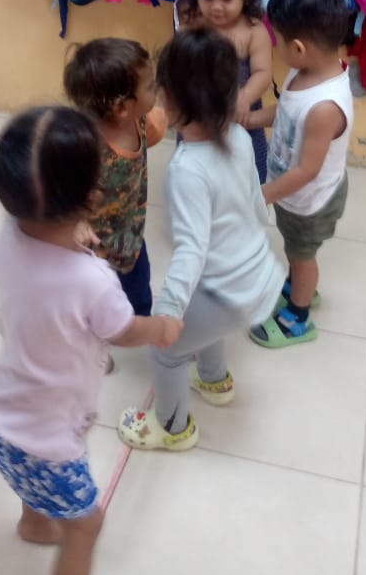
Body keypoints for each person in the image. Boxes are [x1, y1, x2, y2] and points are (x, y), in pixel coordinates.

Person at [0, 106, 182, 575]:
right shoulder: (93, 282)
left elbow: (46, 258)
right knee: (87, 525)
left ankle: (33, 522)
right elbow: (123, 330)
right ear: (92, 198)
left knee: (36, 489)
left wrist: (73, 233)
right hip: (48, 441)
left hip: (1, 418)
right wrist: (160, 328)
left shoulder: (8, 235)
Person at [118, 28, 284, 452]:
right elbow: (254, 199)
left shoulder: (187, 169)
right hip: (256, 275)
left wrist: (167, 315)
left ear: (171, 102)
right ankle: (214, 379)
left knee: (166, 352)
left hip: (224, 289)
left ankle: (172, 427)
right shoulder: (240, 137)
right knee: (204, 317)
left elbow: (191, 249)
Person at [247, 0, 354, 348]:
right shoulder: (305, 71)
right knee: (295, 249)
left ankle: (299, 315)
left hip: (312, 200)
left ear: (298, 47)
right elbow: (288, 113)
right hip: (292, 191)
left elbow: (308, 170)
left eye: (278, 40)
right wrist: (252, 119)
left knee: (301, 254)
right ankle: (298, 285)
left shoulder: (326, 107)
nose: (277, 47)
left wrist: (264, 194)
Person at [64, 37, 165, 317]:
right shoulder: (85, 147)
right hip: (94, 251)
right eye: (150, 86)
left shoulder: (138, 117)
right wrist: (77, 221)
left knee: (139, 297)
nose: (156, 89)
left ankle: (140, 323)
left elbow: (161, 124)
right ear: (121, 107)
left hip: (131, 237)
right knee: (93, 305)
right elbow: (60, 189)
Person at [183, 0, 273, 183]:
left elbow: (263, 73)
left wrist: (244, 97)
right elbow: (180, 63)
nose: (216, 7)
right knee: (197, 174)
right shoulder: (192, 23)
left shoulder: (253, 30)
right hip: (198, 115)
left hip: (240, 117)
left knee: (245, 176)